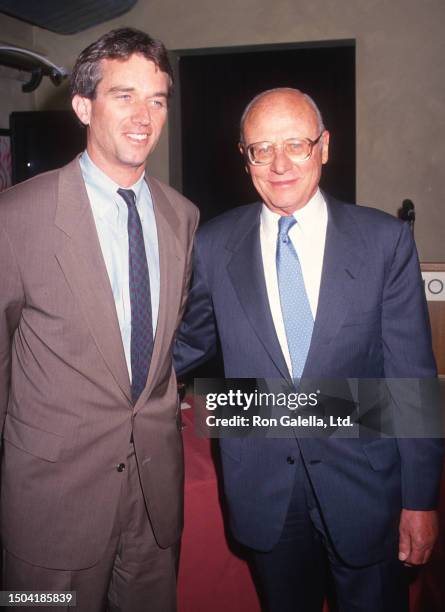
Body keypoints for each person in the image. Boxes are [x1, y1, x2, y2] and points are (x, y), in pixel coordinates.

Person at [175, 88, 443, 611]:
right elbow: (186, 346)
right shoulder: (212, 244)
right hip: (262, 489)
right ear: (244, 157)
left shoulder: (383, 241)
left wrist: (421, 501)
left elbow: (410, 381)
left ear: (324, 146)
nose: (278, 165)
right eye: (261, 149)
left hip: (365, 487)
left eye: (296, 145)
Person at [0, 28, 199, 612]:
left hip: (153, 503)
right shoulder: (17, 217)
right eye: (125, 95)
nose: (145, 116)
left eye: (157, 99)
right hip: (51, 508)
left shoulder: (183, 218)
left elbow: (164, 356)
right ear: (83, 105)